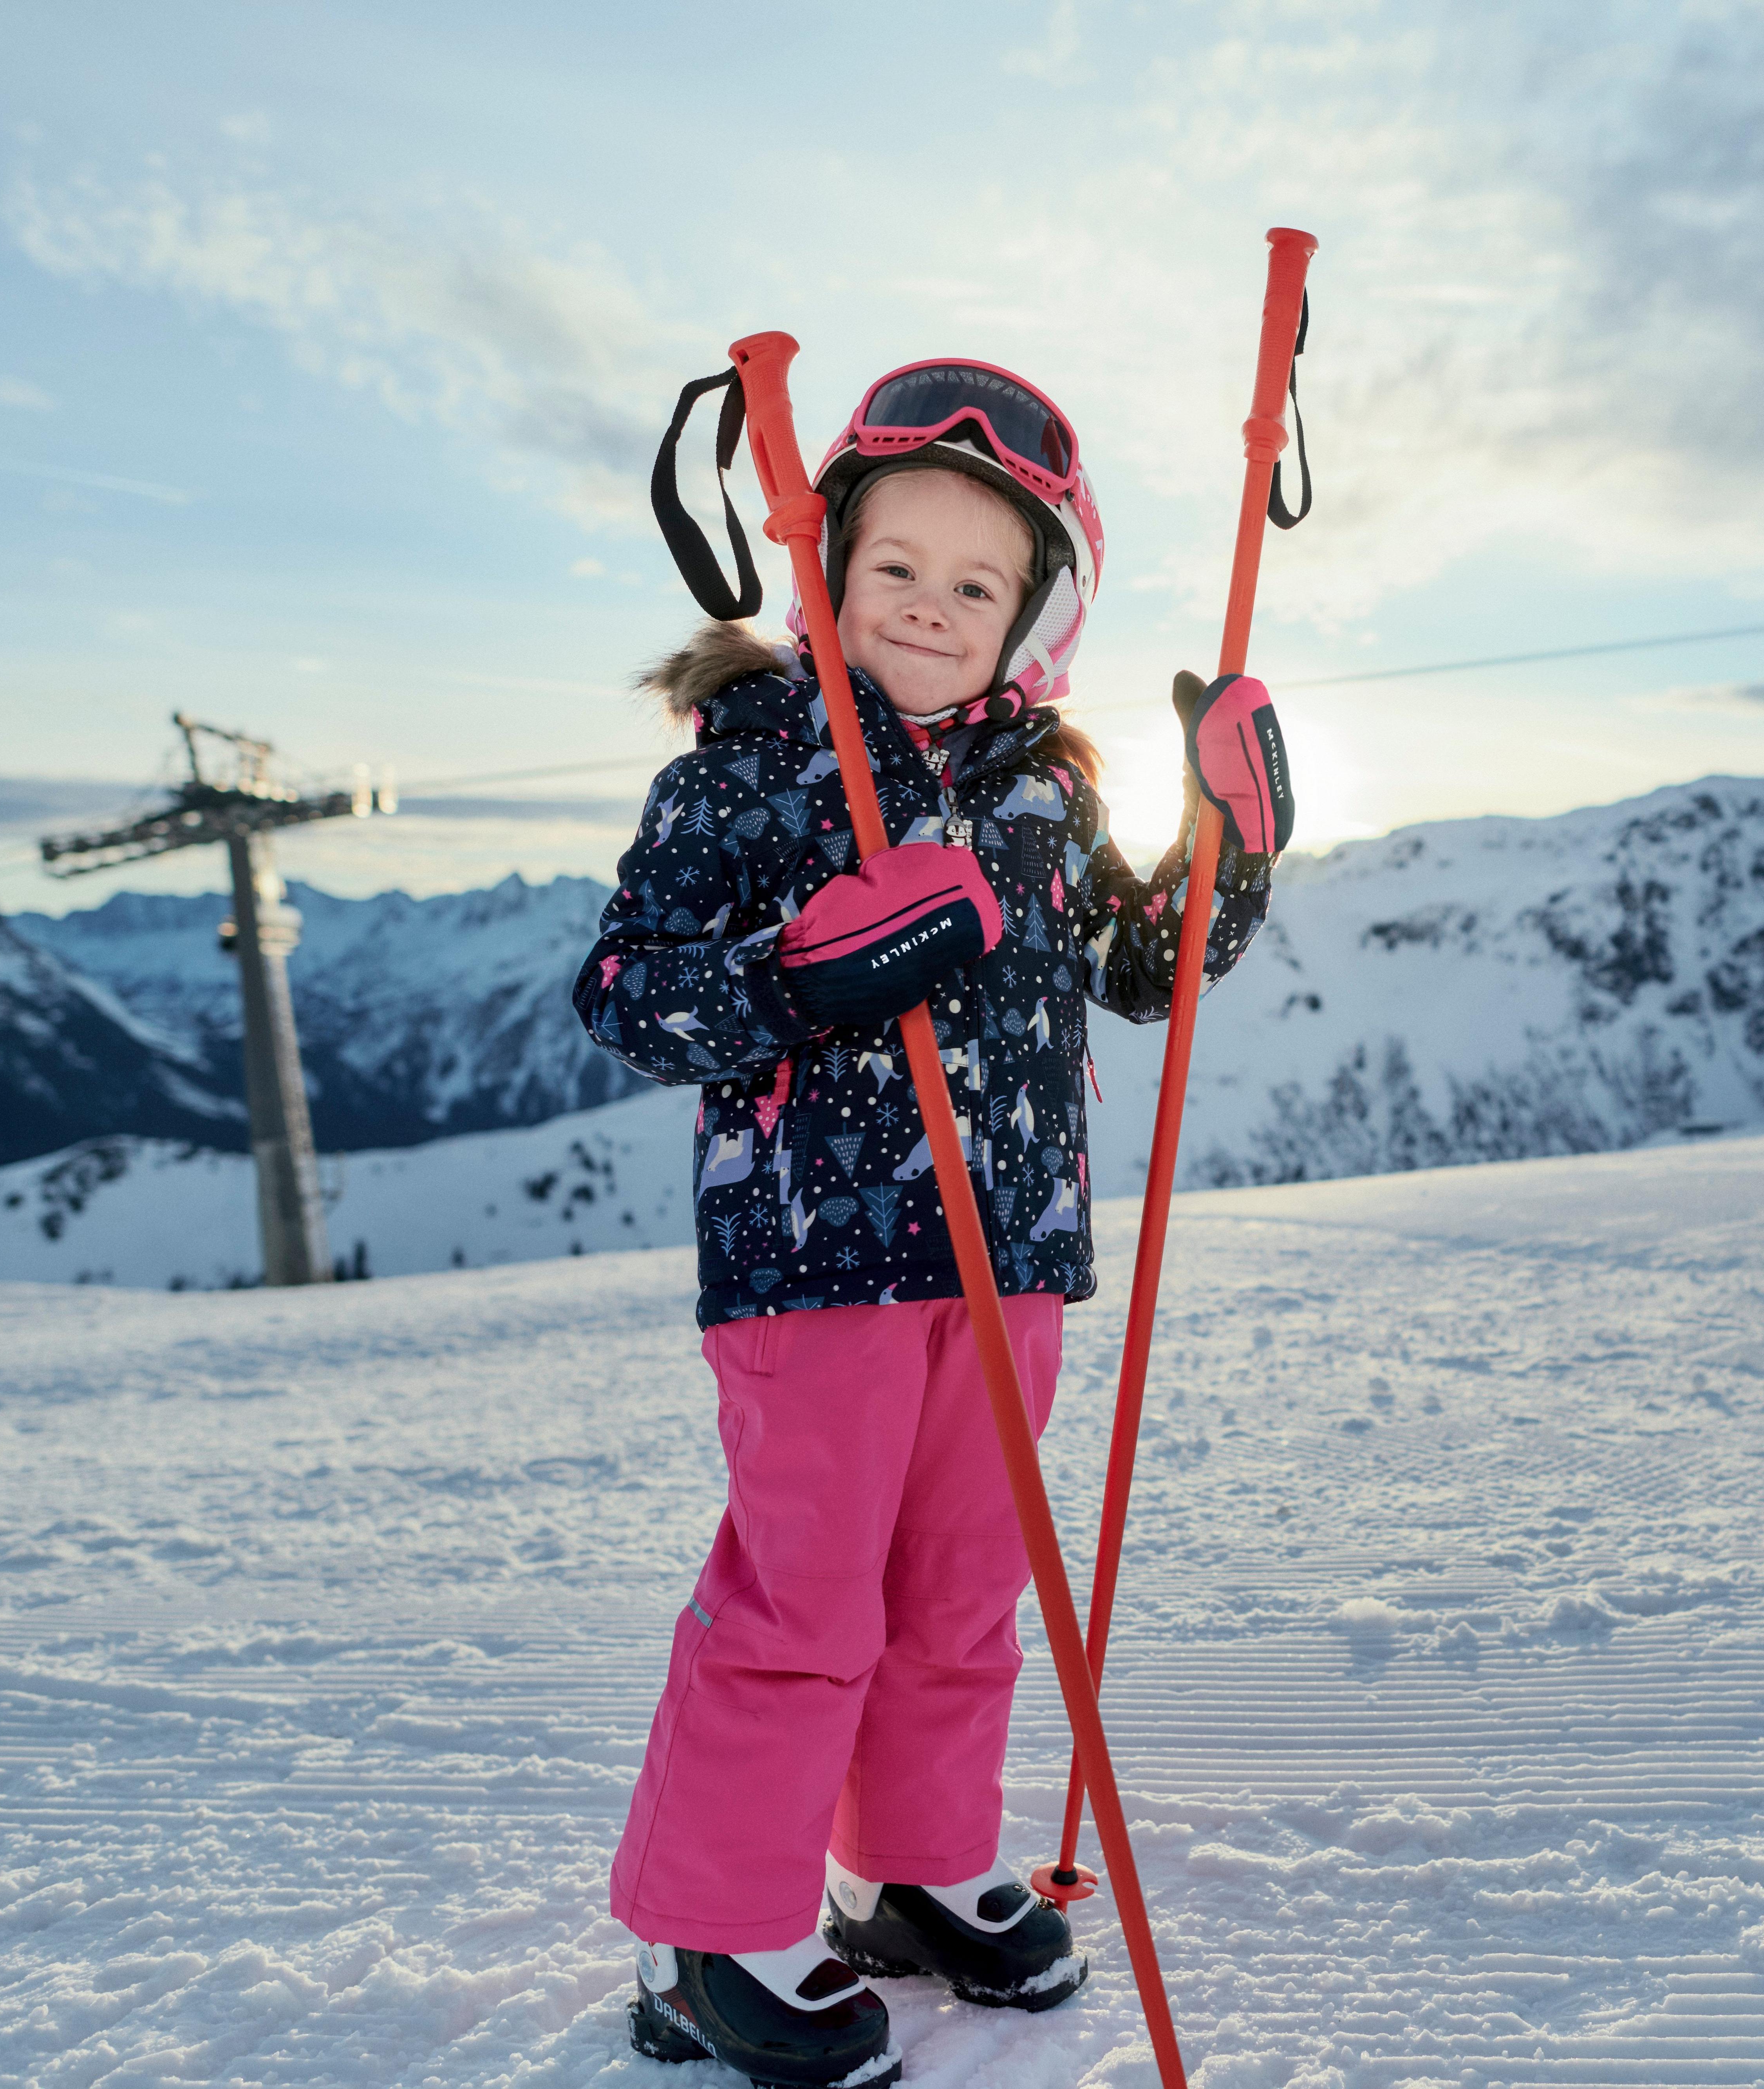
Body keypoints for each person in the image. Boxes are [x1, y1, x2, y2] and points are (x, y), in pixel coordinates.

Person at [570, 358, 1294, 2089]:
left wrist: (1228, 851)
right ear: (828, 566)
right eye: (896, 565)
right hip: (811, 1251)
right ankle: (714, 1929)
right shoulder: (756, 762)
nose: (931, 607)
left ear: (1035, 613)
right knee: (804, 1591)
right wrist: (810, 965)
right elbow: (629, 992)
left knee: (963, 1582)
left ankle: (908, 1861)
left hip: (1014, 1243)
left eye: (978, 583)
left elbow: (1140, 971)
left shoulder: (1049, 780)